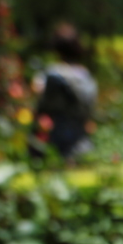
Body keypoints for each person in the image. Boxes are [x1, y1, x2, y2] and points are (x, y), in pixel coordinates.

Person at [32, 23, 97, 159]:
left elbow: (38, 90)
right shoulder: (84, 74)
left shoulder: (53, 73)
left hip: (54, 134)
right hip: (80, 136)